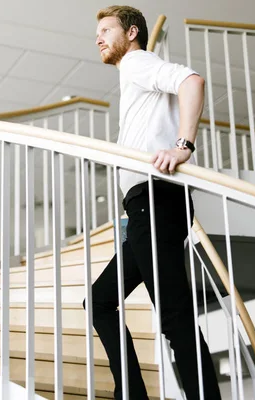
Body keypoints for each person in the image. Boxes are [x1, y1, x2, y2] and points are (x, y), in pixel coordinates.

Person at [82, 5, 222, 400]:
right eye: (98, 32)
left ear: (131, 33)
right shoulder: (135, 76)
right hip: (146, 208)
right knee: (99, 300)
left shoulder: (137, 62)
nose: (99, 37)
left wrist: (183, 146)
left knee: (174, 315)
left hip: (156, 201)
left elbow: (192, 81)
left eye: (107, 29)